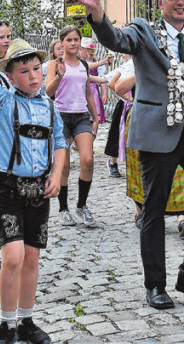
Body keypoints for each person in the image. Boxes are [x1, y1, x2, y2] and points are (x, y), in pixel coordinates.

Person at [69, 0, 184, 310]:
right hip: (157, 133)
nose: (180, 1)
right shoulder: (144, 31)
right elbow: (115, 39)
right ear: (161, 2)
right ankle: (155, 285)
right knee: (153, 209)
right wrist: (96, 12)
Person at [0, 7, 68, 344]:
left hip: (38, 188)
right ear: (11, 76)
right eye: (24, 71)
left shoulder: (49, 106)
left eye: (36, 69)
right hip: (7, 186)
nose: (32, 75)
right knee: (12, 256)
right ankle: (5, 324)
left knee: (31, 257)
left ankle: (26, 321)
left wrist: (57, 174)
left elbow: (59, 143)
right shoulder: (1, 101)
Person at [113, 61, 184, 236]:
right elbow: (118, 88)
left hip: (171, 119)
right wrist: (143, 73)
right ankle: (140, 212)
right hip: (142, 122)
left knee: (179, 168)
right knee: (141, 168)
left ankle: (181, 217)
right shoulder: (134, 63)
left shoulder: (175, 61)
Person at [44, 26, 104, 227]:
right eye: (68, 40)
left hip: (80, 117)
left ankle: (82, 205)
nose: (72, 43)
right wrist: (60, 75)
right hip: (61, 117)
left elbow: (88, 93)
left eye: (76, 39)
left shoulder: (84, 65)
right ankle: (63, 209)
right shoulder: (55, 64)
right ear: (61, 43)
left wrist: (95, 119)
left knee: (87, 160)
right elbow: (48, 92)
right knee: (65, 166)